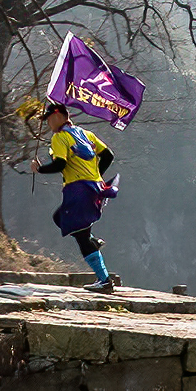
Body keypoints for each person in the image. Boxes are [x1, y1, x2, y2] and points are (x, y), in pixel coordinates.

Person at [36, 102, 119, 292]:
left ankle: (104, 281)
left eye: (48, 119)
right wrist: (95, 176)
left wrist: (39, 169)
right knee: (60, 218)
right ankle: (93, 241)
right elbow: (108, 156)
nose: (48, 123)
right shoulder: (85, 134)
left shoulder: (60, 138)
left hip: (78, 191)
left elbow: (59, 165)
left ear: (58, 116)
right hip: (95, 189)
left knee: (81, 238)